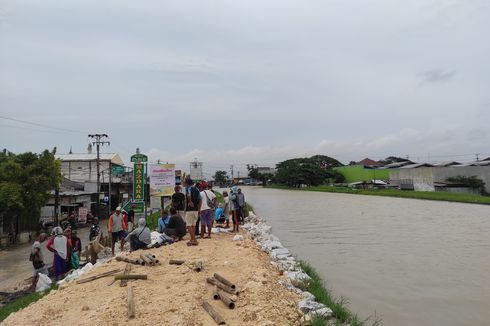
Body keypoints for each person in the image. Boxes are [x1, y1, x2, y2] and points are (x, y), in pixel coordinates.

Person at [184, 177, 201, 246]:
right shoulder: (197, 189)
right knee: (193, 225)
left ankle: (194, 240)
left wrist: (190, 201)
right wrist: (199, 209)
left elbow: (188, 195)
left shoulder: (189, 188)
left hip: (190, 209)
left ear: (187, 183)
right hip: (196, 209)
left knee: (188, 225)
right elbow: (200, 200)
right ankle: (192, 239)